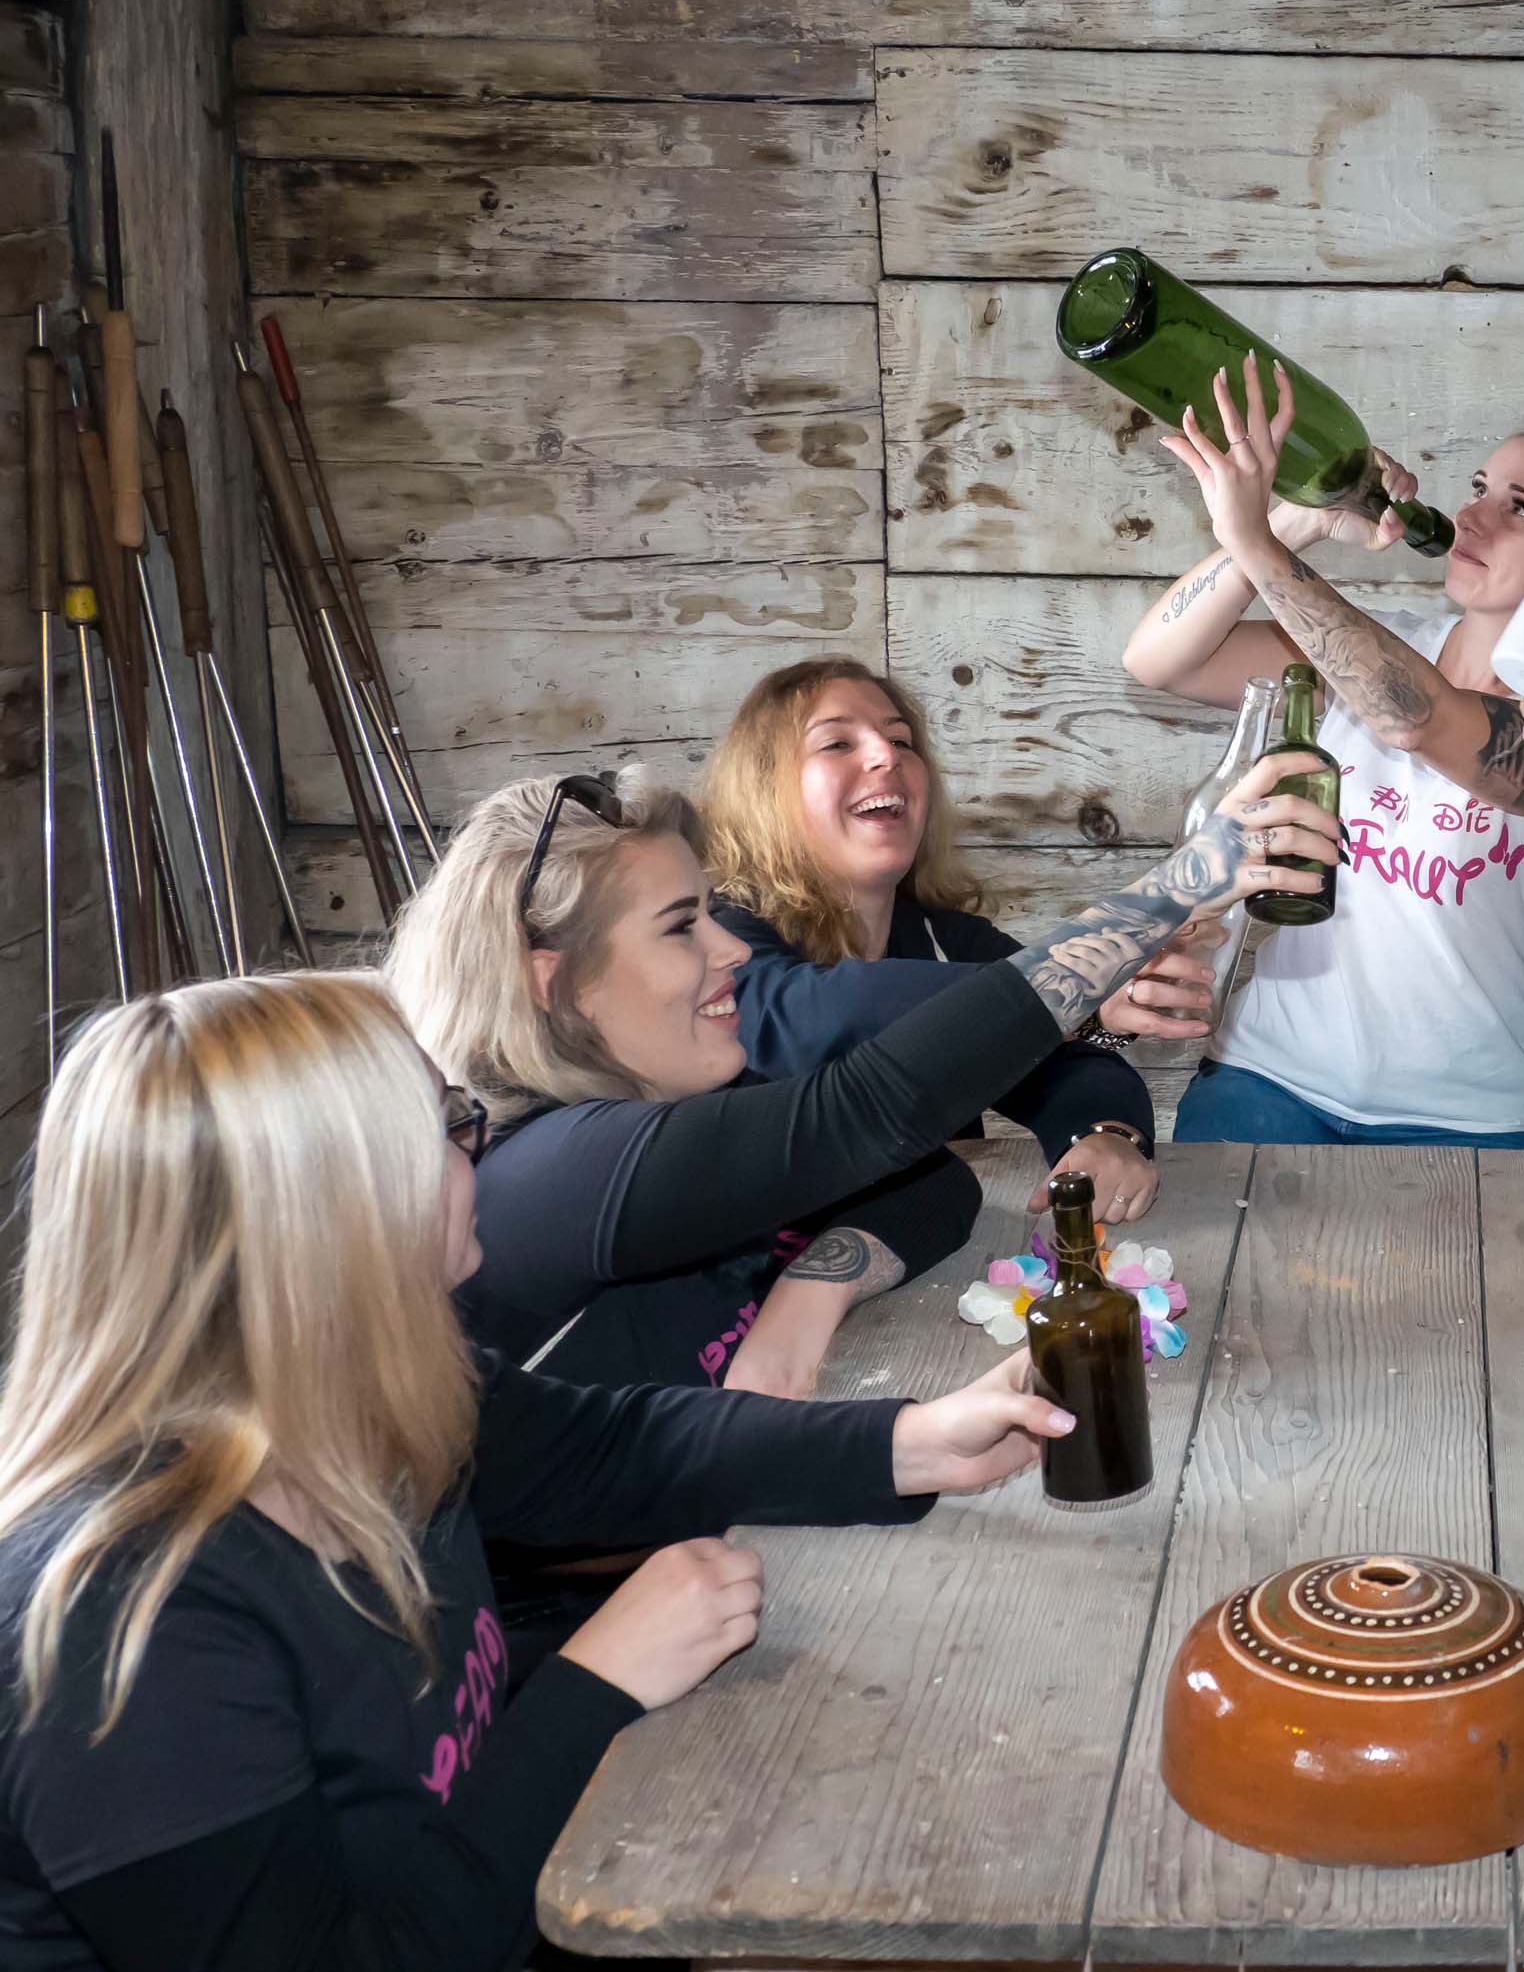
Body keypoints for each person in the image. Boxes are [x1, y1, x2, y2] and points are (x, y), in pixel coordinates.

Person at [0, 972, 1084, 1971]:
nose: (472, 1154)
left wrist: (912, 1441)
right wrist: (593, 1686)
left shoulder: (359, 1399)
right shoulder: (127, 1624)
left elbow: (612, 1447)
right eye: (445, 1126)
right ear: (329, 1208)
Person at [386, 753, 1338, 1397]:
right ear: (555, 982)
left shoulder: (676, 1102)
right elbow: (876, 1108)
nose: (729, 950)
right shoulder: (559, 1170)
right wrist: (1174, 888)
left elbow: (929, 1182)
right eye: (682, 927)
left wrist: (808, 1298)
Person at [1120, 356, 1524, 1148]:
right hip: (1266, 1082)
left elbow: (1418, 717)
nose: (1472, 517)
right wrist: (1298, 523)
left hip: (1462, 1120)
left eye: (1518, 507)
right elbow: (1160, 660)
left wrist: (1255, 541)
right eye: (1478, 488)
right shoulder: (1372, 647)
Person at [700, 655, 1203, 1232]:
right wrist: (1066, 982)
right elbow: (795, 1015)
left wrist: (1107, 1134)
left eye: (901, 740)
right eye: (837, 743)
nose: (887, 755)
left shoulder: (943, 938)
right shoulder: (719, 931)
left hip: (924, 1244)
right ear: (765, 789)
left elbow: (1063, 1064)